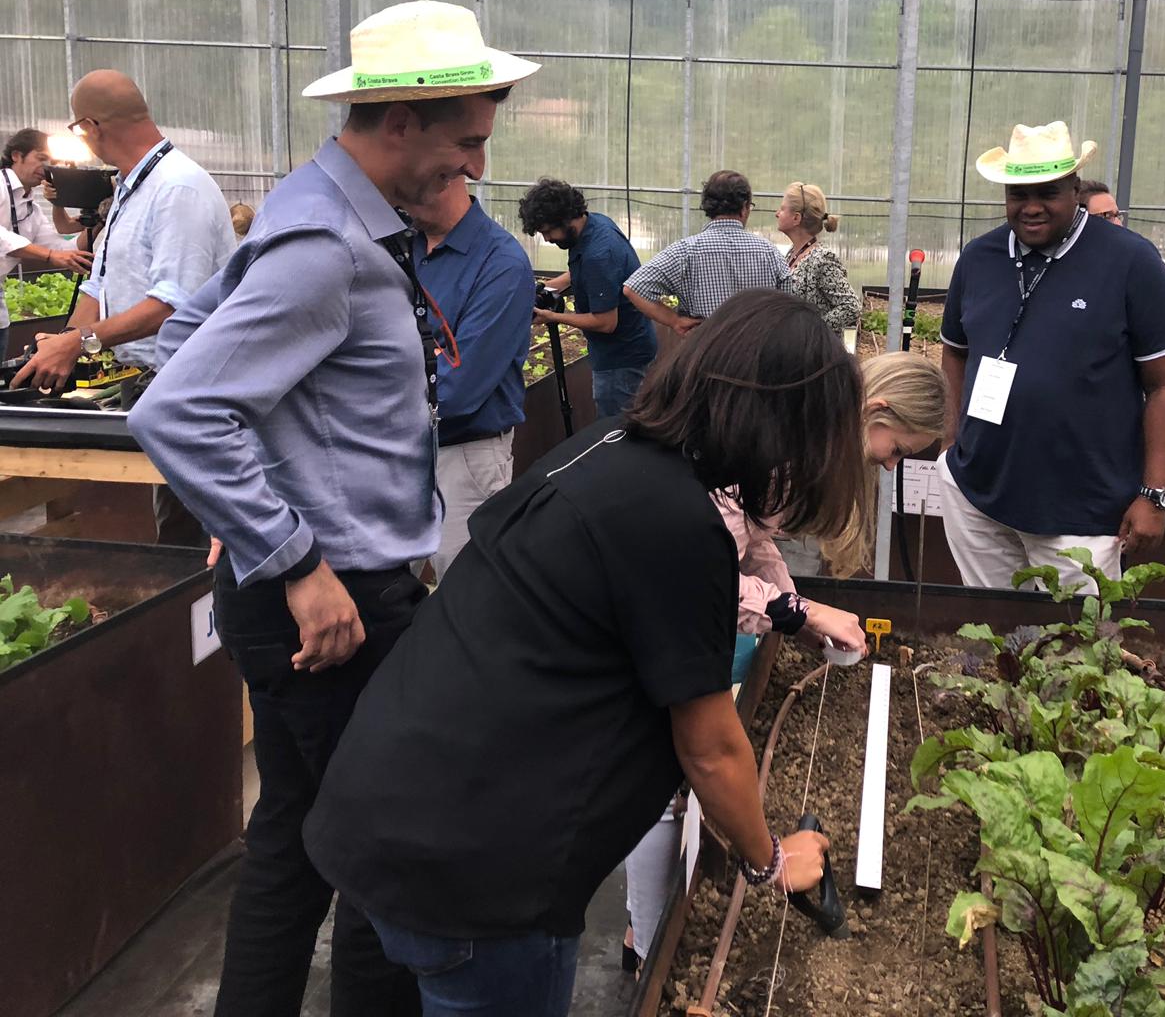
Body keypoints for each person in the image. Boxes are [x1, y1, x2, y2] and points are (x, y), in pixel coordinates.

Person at [128, 0, 538, 1017]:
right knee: (382, 850)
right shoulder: (326, 243)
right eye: (465, 142)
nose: (475, 169)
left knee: (299, 840)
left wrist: (268, 521)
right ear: (398, 120)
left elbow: (186, 347)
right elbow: (177, 406)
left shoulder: (317, 214)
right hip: (334, 603)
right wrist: (292, 558)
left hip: (325, 590)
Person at [301, 290, 846, 1017]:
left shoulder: (614, 446)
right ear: (784, 424)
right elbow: (712, 748)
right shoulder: (679, 521)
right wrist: (772, 860)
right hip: (477, 878)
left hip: (380, 811)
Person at [619, 350, 946, 971]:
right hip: (639, 618)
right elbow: (698, 578)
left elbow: (751, 541)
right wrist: (801, 615)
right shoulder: (785, 450)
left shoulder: (799, 438)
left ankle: (645, 924)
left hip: (657, 605)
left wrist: (797, 605)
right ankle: (643, 935)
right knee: (659, 773)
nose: (893, 463)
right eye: (899, 447)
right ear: (874, 410)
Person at [938, 121, 1165, 591]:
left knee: (1076, 651)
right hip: (978, 493)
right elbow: (955, 354)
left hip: (1083, 511)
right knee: (993, 632)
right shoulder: (979, 258)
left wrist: (1155, 496)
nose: (1031, 207)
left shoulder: (1129, 261)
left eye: (1048, 193)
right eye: (1019, 194)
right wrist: (950, 446)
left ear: (1075, 190)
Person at [13, 73, 233, 398]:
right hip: (147, 379)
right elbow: (99, 282)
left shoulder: (178, 188)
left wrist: (79, 341)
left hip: (187, 384)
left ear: (91, 126)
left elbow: (172, 305)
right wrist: (66, 340)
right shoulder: (132, 187)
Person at [413, 175, 537, 582]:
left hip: (464, 456)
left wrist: (385, 384)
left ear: (449, 174)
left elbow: (458, 387)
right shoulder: (400, 246)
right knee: (382, 590)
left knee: (467, 590)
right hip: (399, 451)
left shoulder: (501, 262)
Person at [519, 177, 657, 416]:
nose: (547, 239)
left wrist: (553, 317)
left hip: (620, 361)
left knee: (616, 434)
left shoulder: (598, 254)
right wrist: (546, 286)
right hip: (630, 348)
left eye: (548, 231)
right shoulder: (594, 224)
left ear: (564, 219)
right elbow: (578, 271)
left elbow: (605, 323)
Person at [623, 170, 790, 338]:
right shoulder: (770, 253)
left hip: (704, 350)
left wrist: (675, 321)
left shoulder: (685, 251)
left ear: (707, 206)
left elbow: (634, 288)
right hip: (757, 351)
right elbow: (789, 304)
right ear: (745, 207)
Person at [1, 129, 93, 336]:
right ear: (16, 156)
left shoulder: (31, 209)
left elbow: (61, 248)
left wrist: (98, 220)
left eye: (51, 161)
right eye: (41, 158)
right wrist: (51, 256)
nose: (46, 166)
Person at [775, 181, 861, 335]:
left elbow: (850, 306)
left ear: (796, 218)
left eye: (782, 209)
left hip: (816, 353)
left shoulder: (822, 259)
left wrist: (813, 330)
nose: (777, 213)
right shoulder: (793, 253)